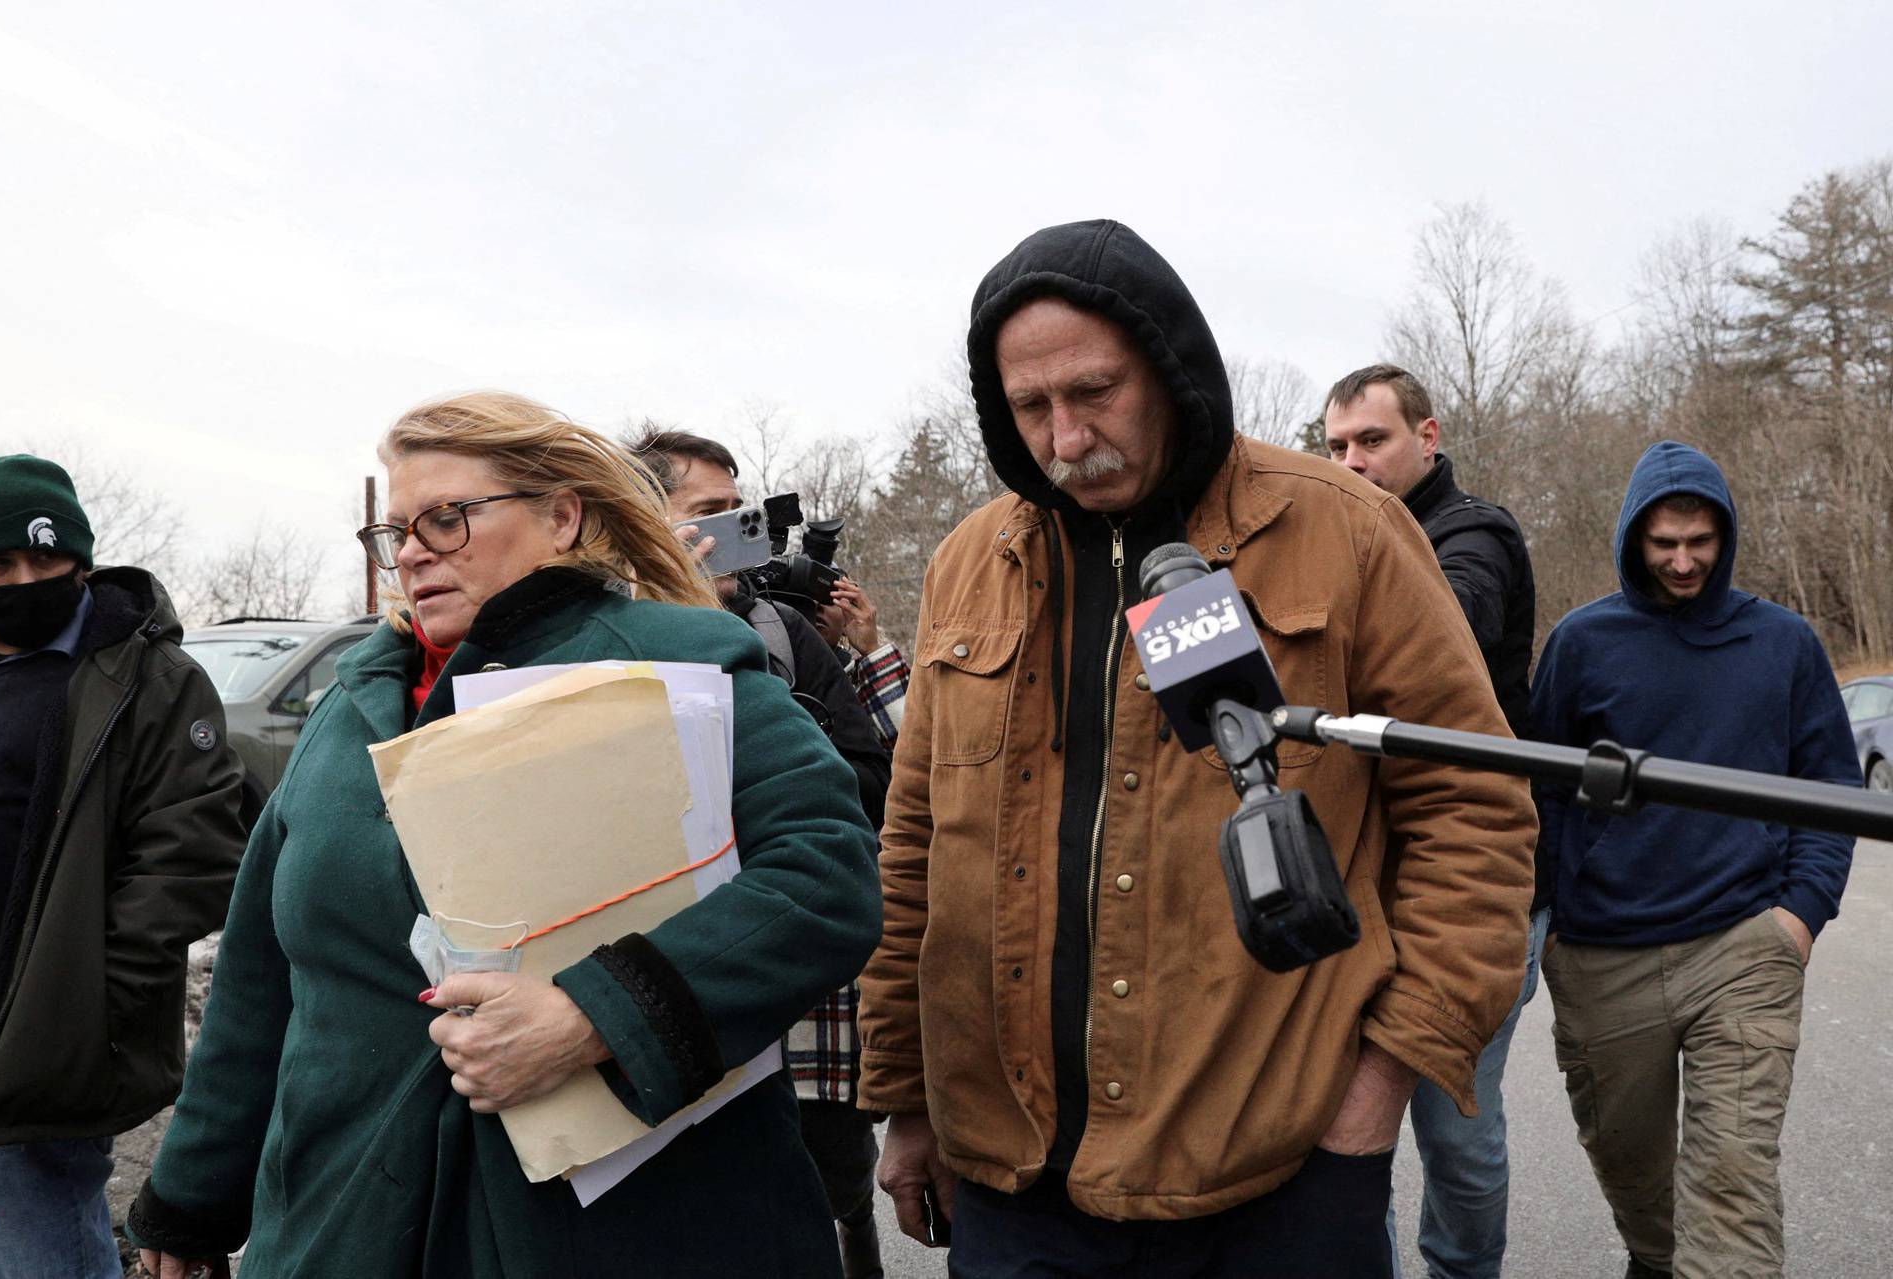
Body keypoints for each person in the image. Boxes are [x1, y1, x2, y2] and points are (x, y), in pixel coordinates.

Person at [858, 220, 1537, 1278]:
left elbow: (1474, 811)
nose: (1068, 437)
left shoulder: (1344, 530)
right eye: (1032, 407)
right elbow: (913, 853)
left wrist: (1377, 1092)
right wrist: (907, 1099)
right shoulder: (966, 565)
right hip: (1012, 1181)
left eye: (1095, 392)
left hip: (1276, 1176)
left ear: (1171, 370)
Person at [126, 393, 881, 1278]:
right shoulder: (348, 709)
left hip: (628, 1231)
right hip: (345, 1219)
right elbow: (260, 976)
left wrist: (596, 1014)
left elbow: (823, 877)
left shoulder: (682, 660)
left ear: (563, 518)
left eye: (446, 519)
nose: (410, 551)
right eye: (395, 530)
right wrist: (191, 1199)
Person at [1530, 440, 1858, 1279]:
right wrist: (1552, 927)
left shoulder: (1783, 643)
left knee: (1733, 1187)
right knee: (1642, 1188)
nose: (1683, 561)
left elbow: (1831, 788)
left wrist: (1799, 916)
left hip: (1744, 946)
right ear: (1634, 537)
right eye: (1664, 542)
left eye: (1700, 541)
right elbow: (1542, 797)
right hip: (1604, 955)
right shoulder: (1581, 643)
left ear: (1726, 534)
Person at [0, 454, 247, 1279]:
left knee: (37, 1250)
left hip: (38, 1046)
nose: (25, 578)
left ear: (81, 559)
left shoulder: (147, 678)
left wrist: (90, 999)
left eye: (46, 558)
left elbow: (193, 851)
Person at [630, 425, 891, 1279]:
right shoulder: (598, 638)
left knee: (825, 1185)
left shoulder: (780, 633)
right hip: (649, 986)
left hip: (798, 998)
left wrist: (778, 763)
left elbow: (871, 778)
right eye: (708, 513)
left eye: (737, 511)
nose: (733, 531)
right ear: (644, 519)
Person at [1324, 363, 1544, 1278]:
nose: (1352, 462)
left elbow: (1444, 617)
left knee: (1457, 1127)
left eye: (1370, 441)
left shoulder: (1472, 534)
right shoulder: (1341, 548)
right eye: (1334, 446)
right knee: (1338, 1126)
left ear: (1428, 436)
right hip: (1360, 887)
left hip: (1473, 888)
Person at [816, 577, 910, 751]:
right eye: (804, 600)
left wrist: (872, 649)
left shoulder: (863, 682)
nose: (816, 607)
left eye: (827, 599)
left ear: (847, 620)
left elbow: (912, 746)